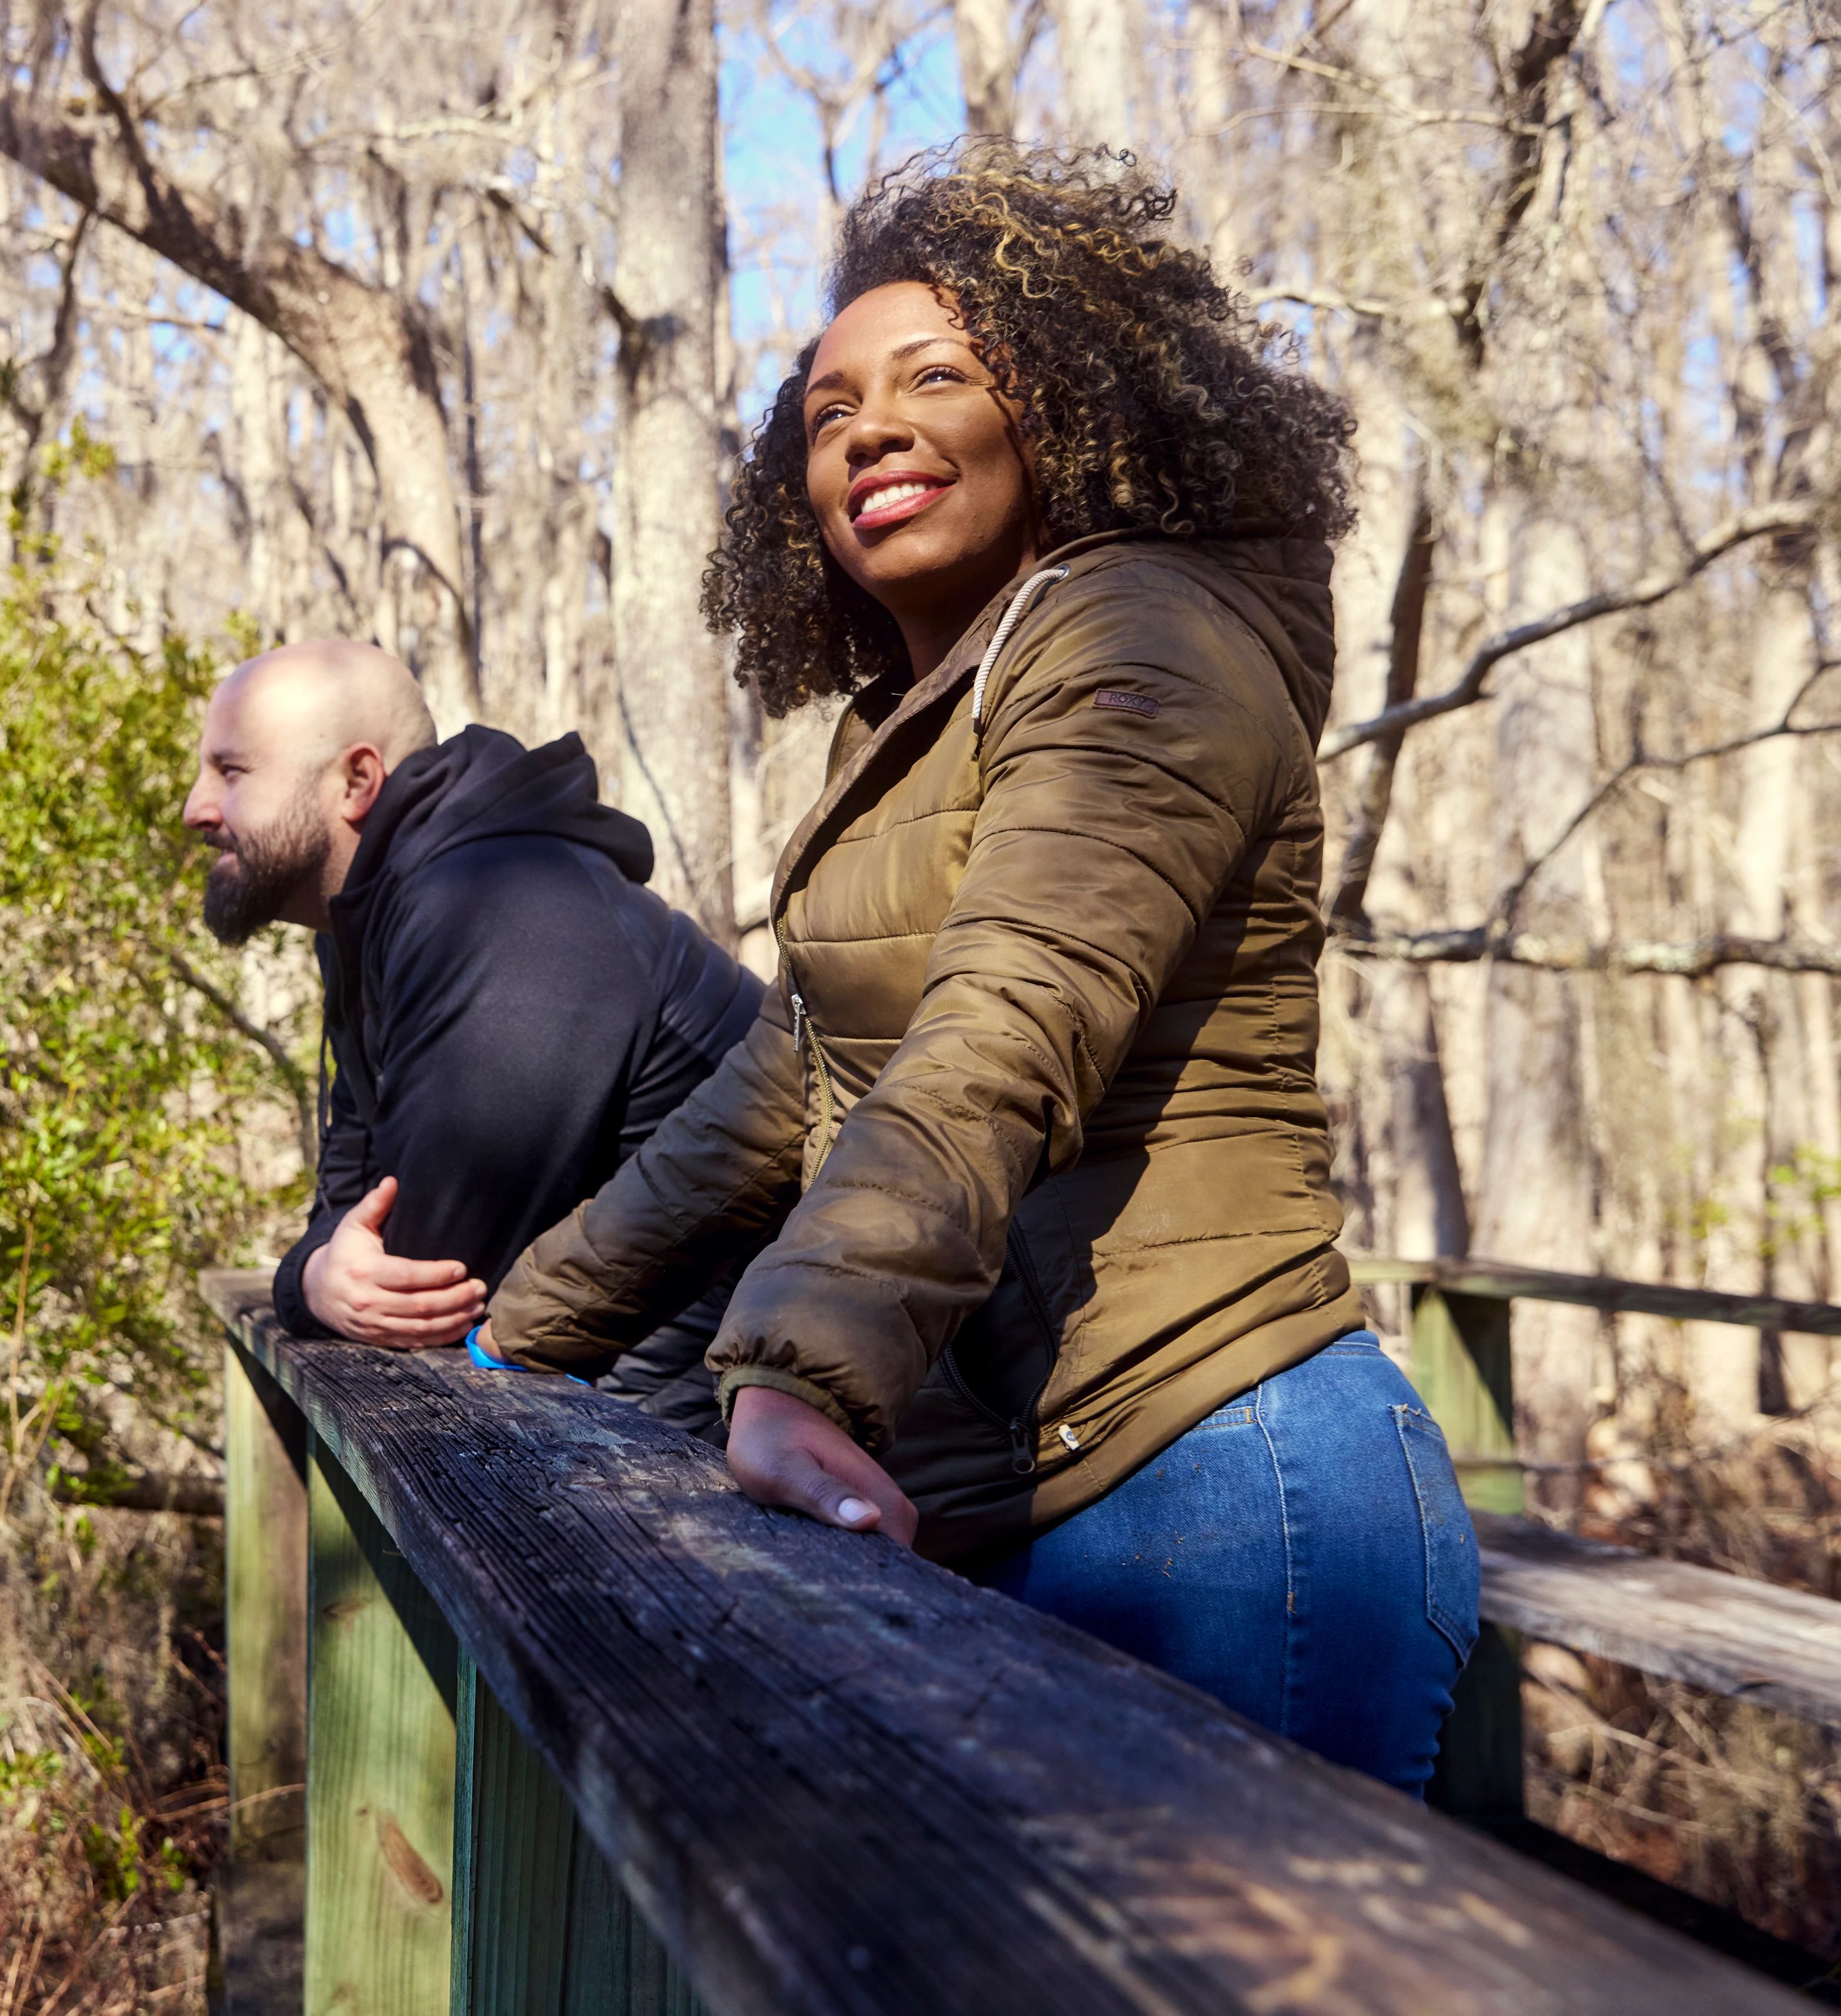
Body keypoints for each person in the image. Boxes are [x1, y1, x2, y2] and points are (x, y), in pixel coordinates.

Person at [473, 147, 1477, 1793]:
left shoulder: (1141, 641)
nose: (869, 426)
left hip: (1217, 1493)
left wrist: (801, 1362)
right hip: (1012, 1485)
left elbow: (1003, 1030)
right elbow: (779, 1093)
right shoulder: (918, 717)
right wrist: (522, 1331)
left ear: (1075, 410)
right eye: (826, 409)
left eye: (939, 375)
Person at [182, 639, 761, 1440]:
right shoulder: (369, 923)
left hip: (772, 1459)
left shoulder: (507, 906)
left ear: (356, 780)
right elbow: (348, 1218)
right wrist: (312, 1279)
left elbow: (430, 1273)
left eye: (231, 771)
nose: (196, 807)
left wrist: (319, 1276)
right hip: (623, 1431)